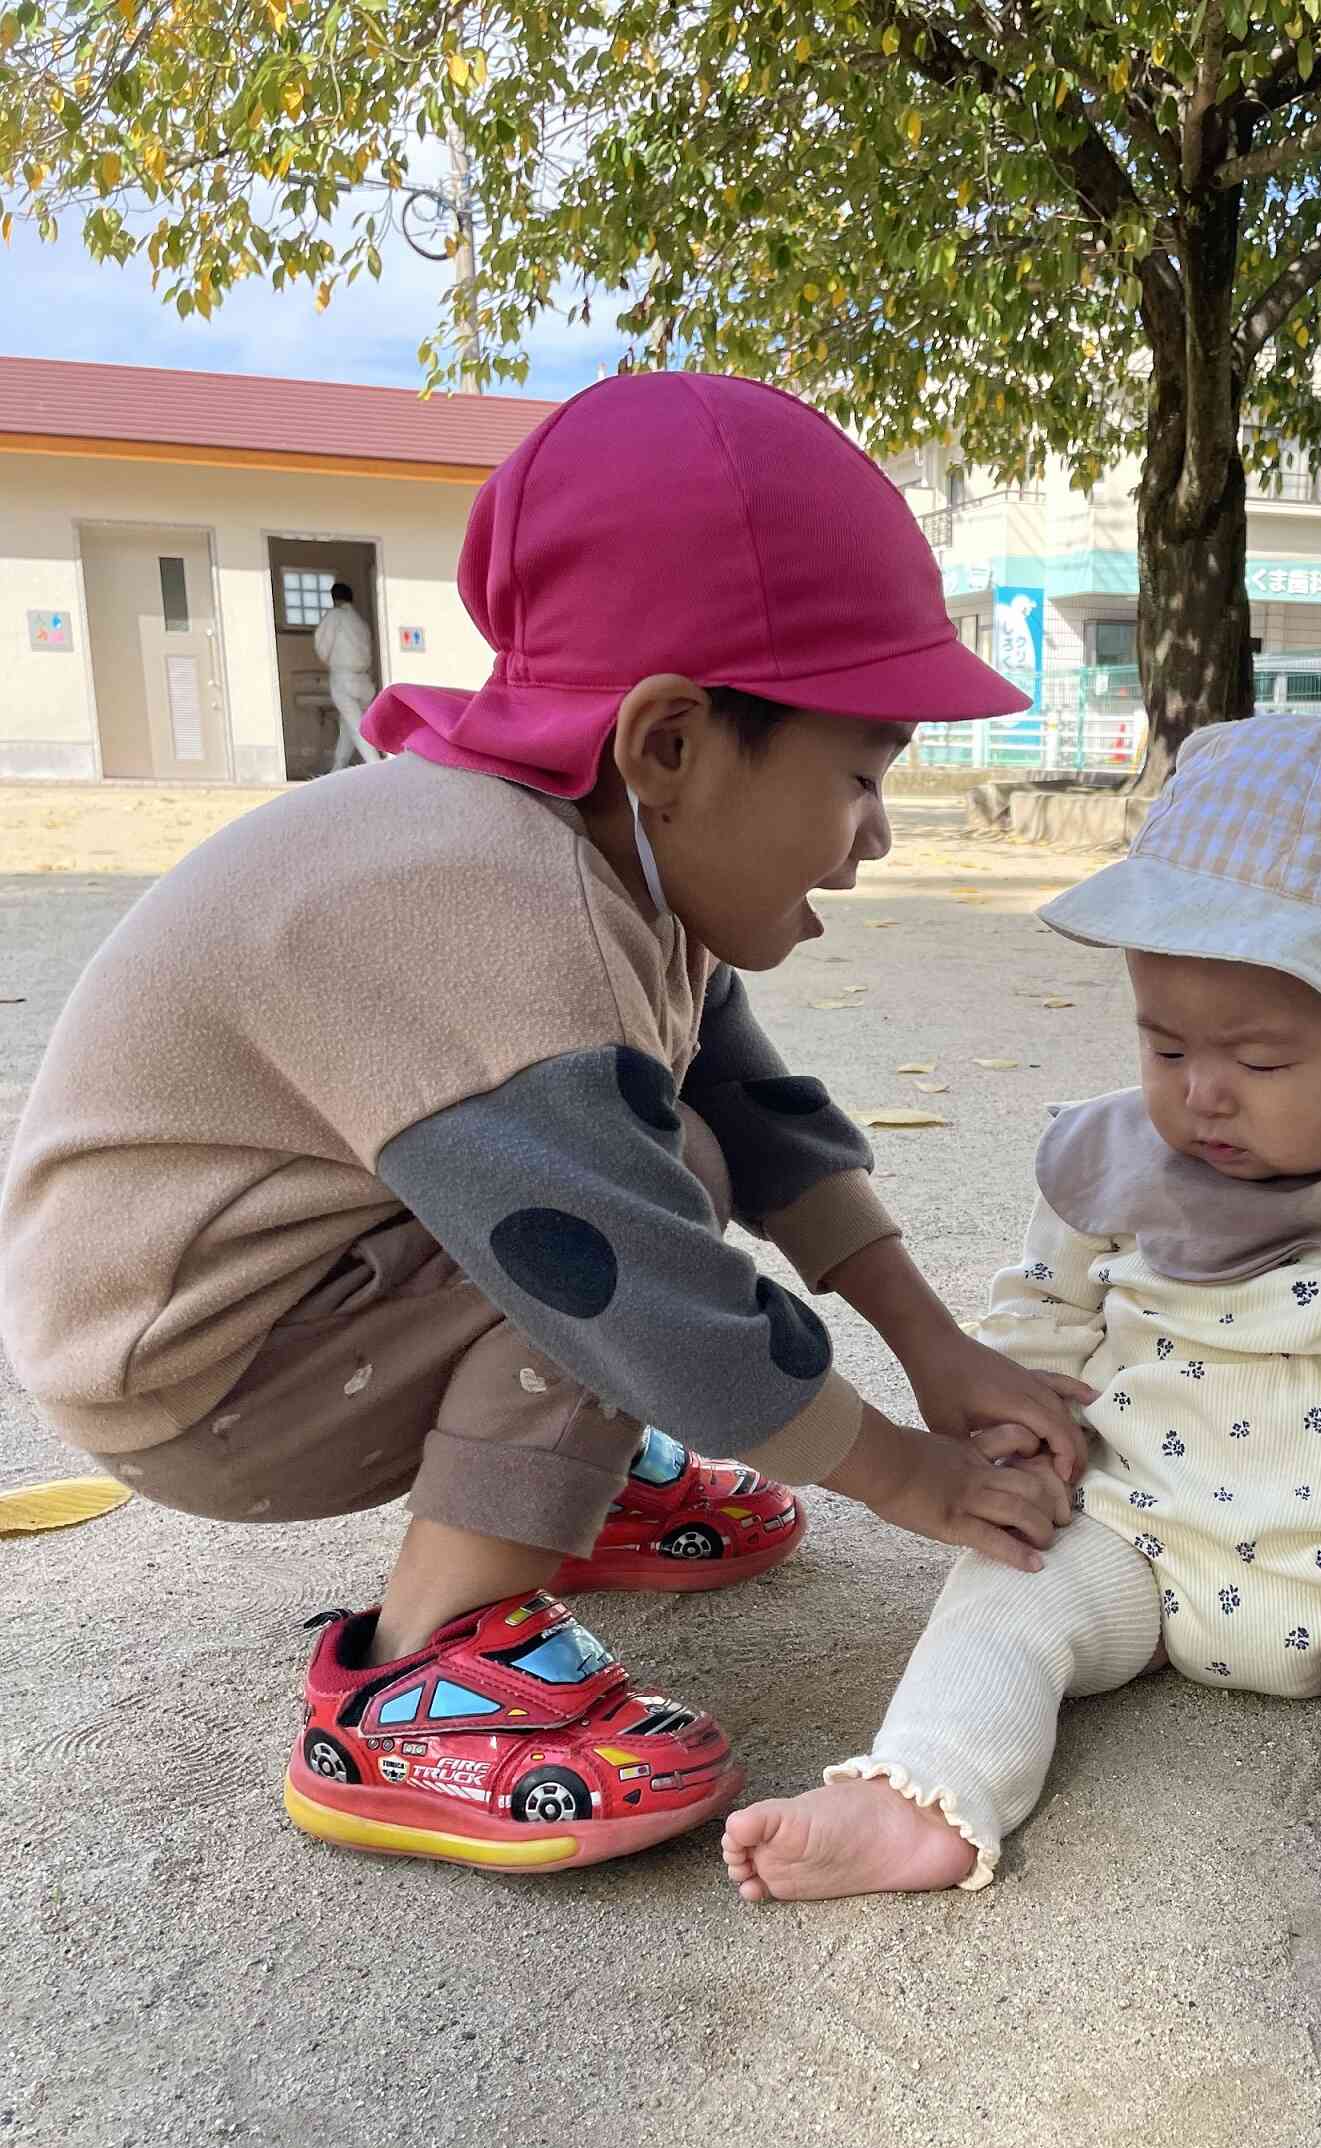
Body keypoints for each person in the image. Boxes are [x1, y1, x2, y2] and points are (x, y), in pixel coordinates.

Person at [0, 373, 1088, 1874]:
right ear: (669, 744)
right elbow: (630, 1289)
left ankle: (550, 1489)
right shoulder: (495, 908)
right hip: (191, 1369)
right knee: (612, 1258)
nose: (879, 832)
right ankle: (410, 1681)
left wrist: (935, 1343)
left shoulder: (610, 853)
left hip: (287, 1291)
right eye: (859, 774)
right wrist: (913, 1476)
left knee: (677, 1160)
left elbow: (760, 1115)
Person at [724, 714, 1321, 2010]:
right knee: (1003, 1591)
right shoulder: (1105, 1158)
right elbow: (1040, 1316)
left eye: (1261, 1058)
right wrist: (1007, 1433)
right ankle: (925, 1787)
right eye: (1165, 1043)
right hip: (1142, 1547)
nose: (1203, 1096)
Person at [313, 580, 381, 770]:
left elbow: (322, 645)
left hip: (344, 678)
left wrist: (327, 660)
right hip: (364, 681)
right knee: (348, 726)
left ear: (334, 599)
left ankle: (376, 767)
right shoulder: (360, 622)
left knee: (356, 727)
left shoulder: (335, 616)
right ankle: (338, 768)